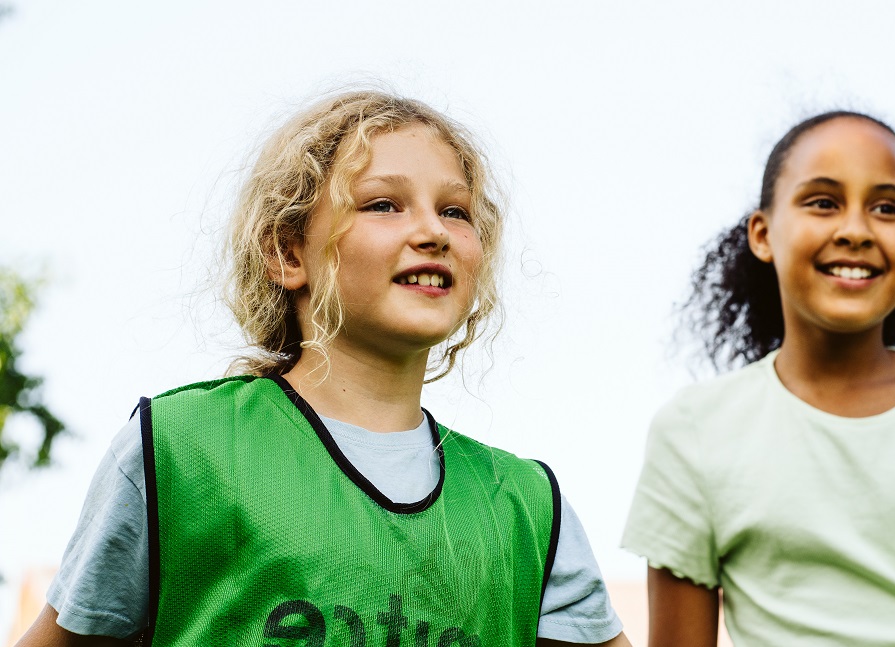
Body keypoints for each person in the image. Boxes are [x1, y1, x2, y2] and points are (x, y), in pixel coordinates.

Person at [19, 91, 630, 647]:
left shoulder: (526, 505)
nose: (432, 231)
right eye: (384, 205)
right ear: (288, 252)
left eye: (456, 211)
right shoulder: (179, 448)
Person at [621, 111, 895, 646]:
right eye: (823, 202)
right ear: (763, 235)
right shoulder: (695, 427)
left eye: (886, 208)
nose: (855, 230)